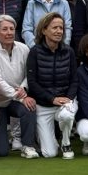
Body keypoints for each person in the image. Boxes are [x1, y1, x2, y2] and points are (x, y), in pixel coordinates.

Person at [0, 15, 39, 159]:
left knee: (30, 106)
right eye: (4, 29)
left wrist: (23, 88)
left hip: (17, 100)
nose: (9, 32)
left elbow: (30, 73)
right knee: (1, 152)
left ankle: (28, 145)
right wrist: (21, 96)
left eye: (11, 29)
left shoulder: (24, 48)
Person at [26, 12, 78, 159]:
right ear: (44, 30)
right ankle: (48, 139)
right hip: (44, 105)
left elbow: (74, 80)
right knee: (50, 153)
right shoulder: (34, 52)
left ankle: (66, 143)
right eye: (54, 27)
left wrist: (68, 98)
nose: (59, 31)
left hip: (65, 101)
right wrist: (51, 99)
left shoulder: (69, 51)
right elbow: (32, 82)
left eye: (61, 28)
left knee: (67, 114)